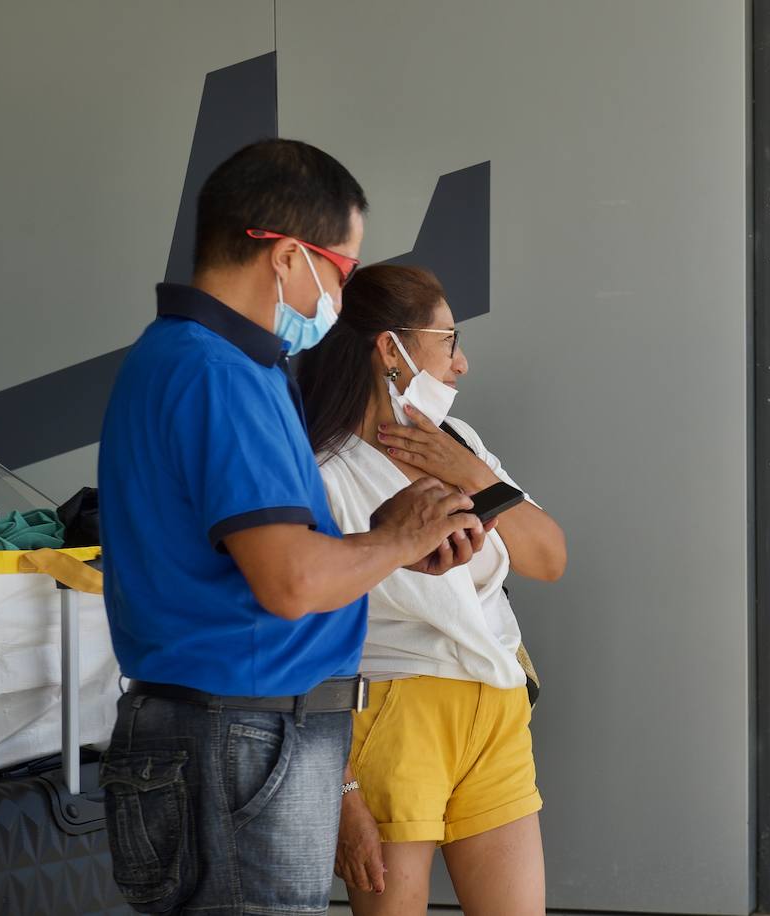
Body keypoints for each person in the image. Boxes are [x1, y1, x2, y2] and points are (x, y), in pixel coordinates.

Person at [97, 139, 488, 915]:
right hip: (234, 738)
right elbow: (289, 581)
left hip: (231, 735)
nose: (341, 297)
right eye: (341, 271)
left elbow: (275, 561)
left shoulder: (214, 361)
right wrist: (395, 539)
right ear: (284, 258)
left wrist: (380, 545)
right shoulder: (217, 373)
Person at [297, 264, 566, 916]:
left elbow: (549, 557)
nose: (462, 363)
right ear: (391, 349)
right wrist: (342, 791)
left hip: (495, 706)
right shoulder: (319, 471)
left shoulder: (457, 442)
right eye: (449, 340)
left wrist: (473, 473)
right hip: (389, 714)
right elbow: (299, 633)